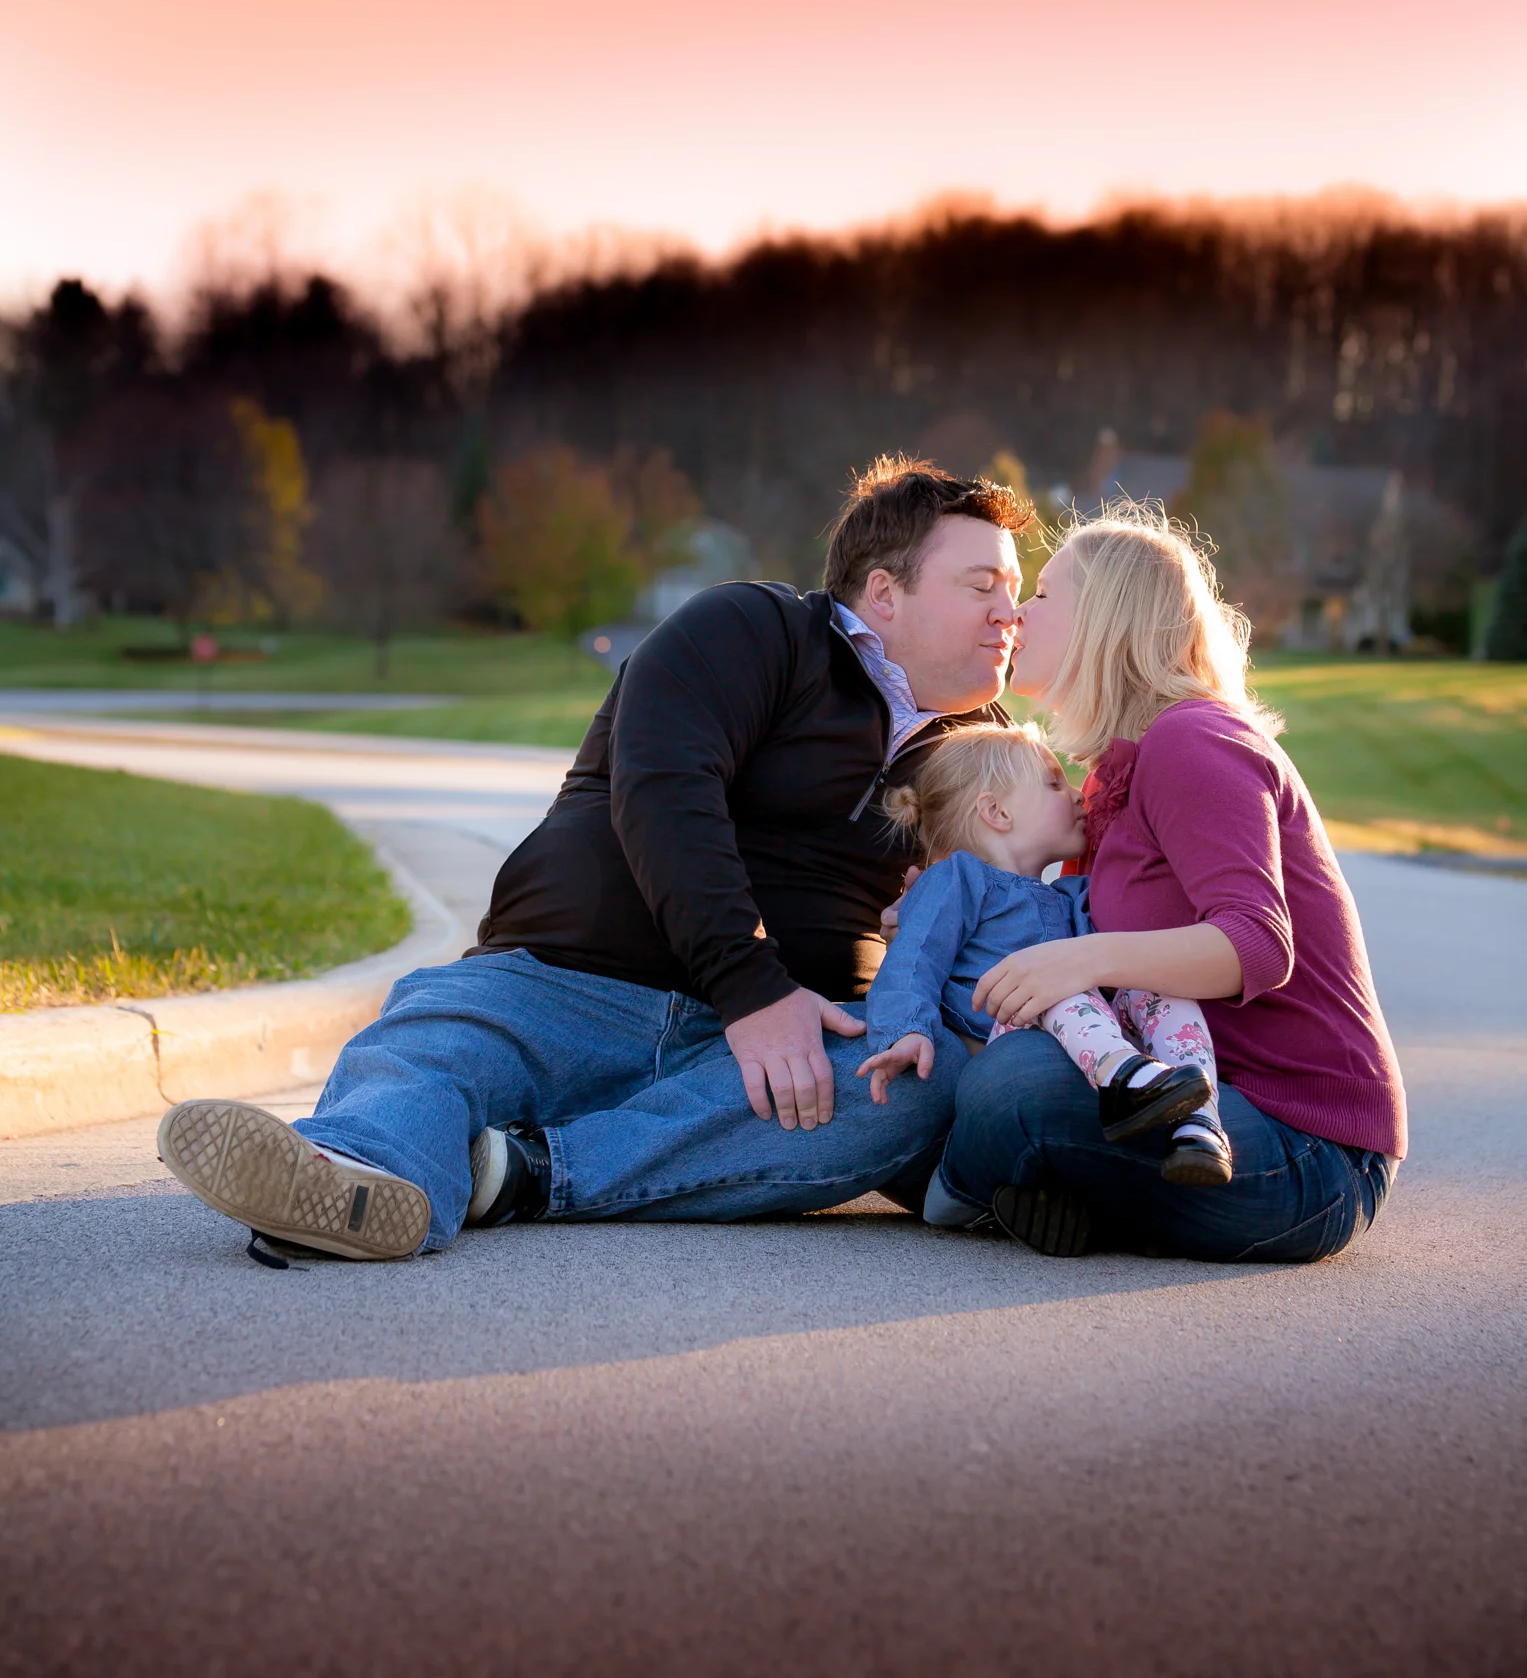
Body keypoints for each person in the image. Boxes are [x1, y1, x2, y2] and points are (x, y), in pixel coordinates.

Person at [157, 456, 1030, 1260]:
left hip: (762, 1063)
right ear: (884, 593)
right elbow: (665, 789)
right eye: (981, 585)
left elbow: (1027, 914)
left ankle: (522, 1173)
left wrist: (927, 930)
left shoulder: (987, 760)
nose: (1009, 614)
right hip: (564, 984)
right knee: (435, 1047)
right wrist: (753, 985)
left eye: (1017, 593)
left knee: (921, 1079)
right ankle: (350, 1179)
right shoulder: (754, 629)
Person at [922, 503, 1407, 1262]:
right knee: (966, 1061)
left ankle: (975, 1189)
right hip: (1190, 1101)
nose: (1018, 612)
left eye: (1044, 595)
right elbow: (1055, 926)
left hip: (1306, 1147)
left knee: (1008, 1086)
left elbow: (1255, 944)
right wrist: (930, 912)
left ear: (1105, 619)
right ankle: (1059, 1194)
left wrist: (1083, 961)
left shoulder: (1192, 740)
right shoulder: (1110, 779)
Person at [856, 721, 1232, 1187]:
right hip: (1005, 1034)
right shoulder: (959, 877)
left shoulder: (1071, 894)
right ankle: (1126, 1083)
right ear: (996, 812)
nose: (1078, 795)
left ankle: (1198, 1122)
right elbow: (913, 957)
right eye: (1054, 783)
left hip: (1076, 1035)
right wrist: (904, 1031)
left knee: (1158, 991)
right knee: (1054, 987)